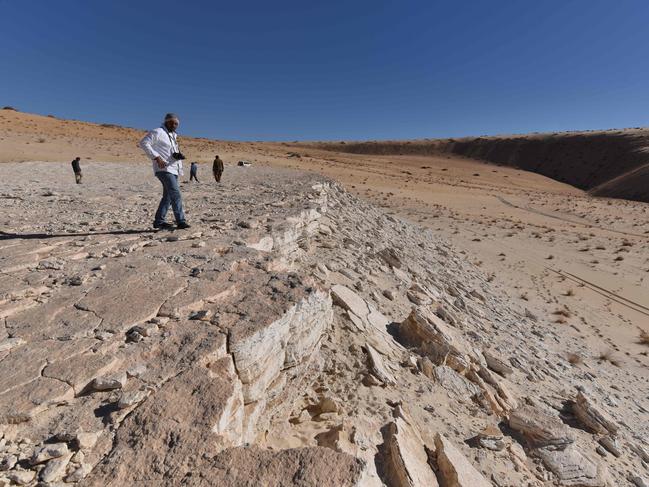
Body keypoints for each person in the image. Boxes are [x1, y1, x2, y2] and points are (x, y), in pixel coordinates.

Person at [139, 113, 191, 230]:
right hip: (164, 169)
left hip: (174, 168)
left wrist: (177, 156)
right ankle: (181, 221)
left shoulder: (173, 136)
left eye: (176, 123)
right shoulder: (158, 132)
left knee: (167, 196)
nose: (174, 125)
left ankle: (159, 222)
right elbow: (143, 143)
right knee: (175, 193)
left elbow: (168, 151)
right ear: (166, 121)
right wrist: (156, 157)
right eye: (172, 122)